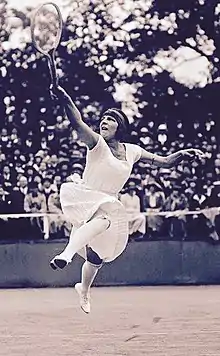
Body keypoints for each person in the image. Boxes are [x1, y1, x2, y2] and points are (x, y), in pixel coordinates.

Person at [49, 85, 205, 314]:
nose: (104, 121)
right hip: (87, 199)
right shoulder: (96, 144)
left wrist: (183, 153)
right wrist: (65, 99)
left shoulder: (132, 151)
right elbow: (77, 122)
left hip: (108, 203)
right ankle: (66, 254)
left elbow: (164, 162)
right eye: (102, 118)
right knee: (103, 221)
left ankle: (83, 289)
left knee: (95, 258)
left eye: (110, 119)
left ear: (119, 126)